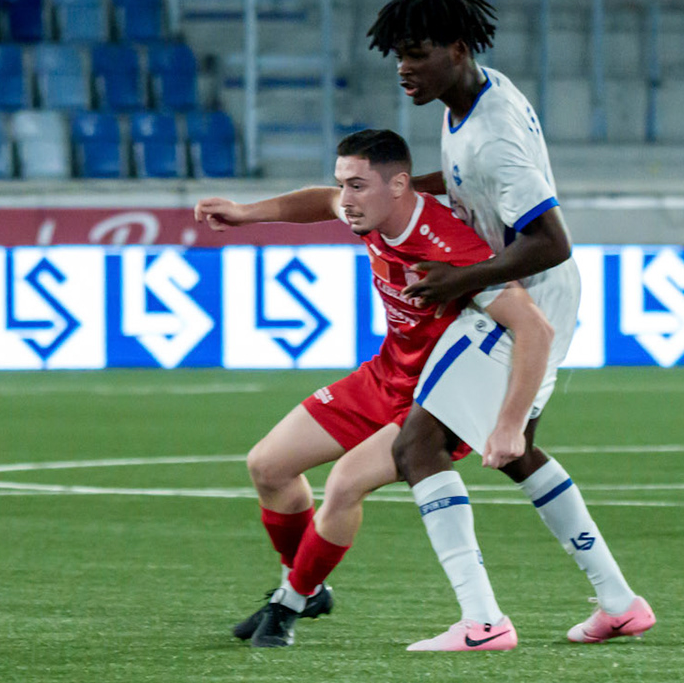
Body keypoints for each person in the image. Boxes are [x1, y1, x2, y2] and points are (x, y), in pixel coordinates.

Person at [368, 0, 654, 649]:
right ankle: (618, 602)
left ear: (457, 49)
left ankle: (483, 622)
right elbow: (468, 183)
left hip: (524, 300)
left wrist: (460, 279)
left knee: (417, 447)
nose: (404, 69)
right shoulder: (473, 96)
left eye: (417, 54)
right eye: (399, 56)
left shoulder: (492, 135)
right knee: (513, 449)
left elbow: (551, 239)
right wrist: (402, 191)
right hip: (535, 295)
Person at [198, 129, 555, 648]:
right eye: (343, 183)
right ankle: (306, 584)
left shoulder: (449, 244)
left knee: (345, 483)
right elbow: (320, 201)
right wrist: (245, 213)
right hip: (386, 375)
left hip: (437, 397)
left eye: (357, 185)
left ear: (399, 185)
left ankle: (289, 604)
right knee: (268, 466)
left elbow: (535, 329)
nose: (345, 198)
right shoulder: (369, 211)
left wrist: (509, 425)